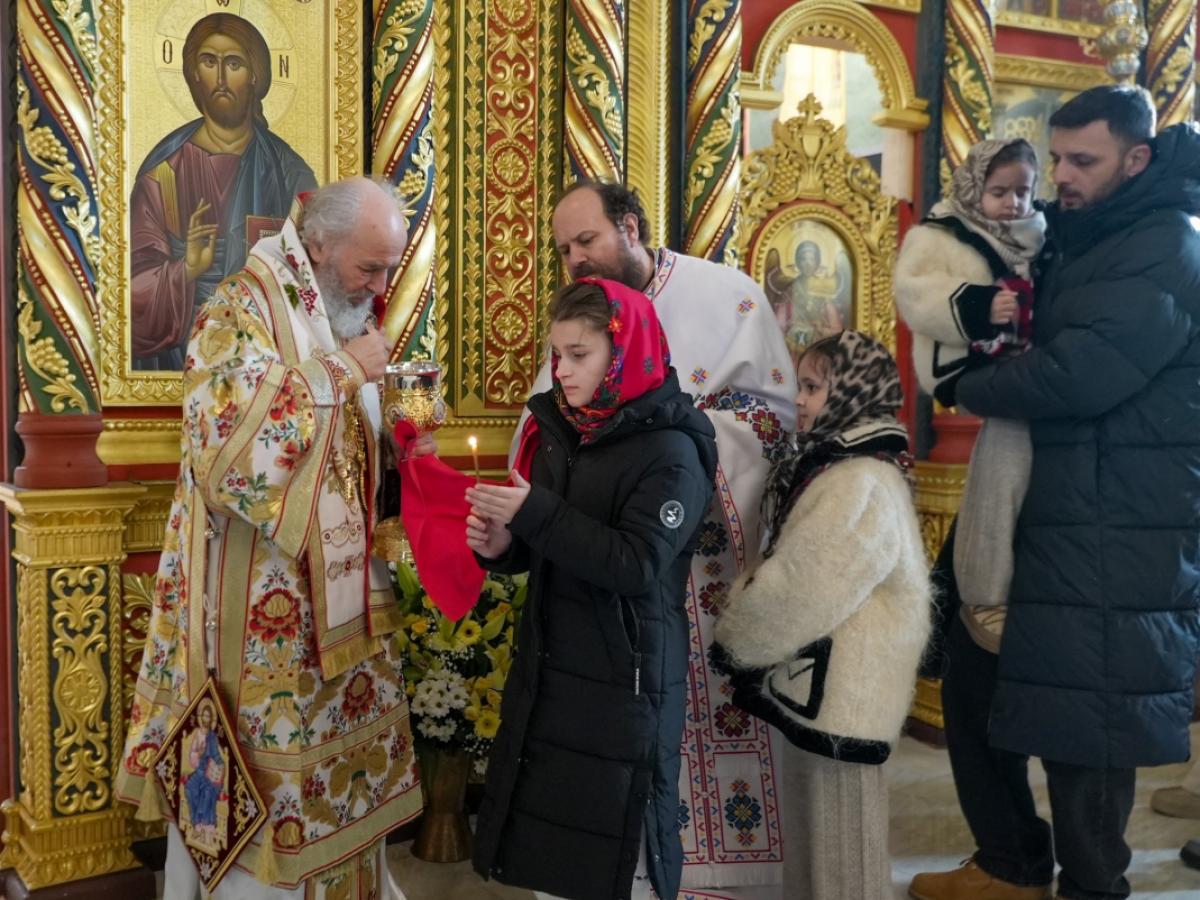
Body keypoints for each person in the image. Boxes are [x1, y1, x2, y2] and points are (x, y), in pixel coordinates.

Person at [910, 84, 1200, 900]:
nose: (1061, 176)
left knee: (1089, 723)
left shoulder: (1164, 244)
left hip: (1120, 517)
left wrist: (967, 385)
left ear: (1135, 159)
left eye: (1083, 160)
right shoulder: (1085, 231)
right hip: (1049, 499)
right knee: (971, 681)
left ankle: (1093, 886)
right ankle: (1009, 863)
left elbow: (1080, 374)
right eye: (1059, 158)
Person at [117, 177, 426, 899]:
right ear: (317, 244)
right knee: (267, 788)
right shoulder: (238, 310)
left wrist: (398, 439)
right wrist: (345, 372)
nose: (381, 287)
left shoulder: (336, 311)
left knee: (340, 788)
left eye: (390, 269)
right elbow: (229, 452)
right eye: (370, 267)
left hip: (343, 607)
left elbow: (346, 445)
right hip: (260, 606)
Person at [537, 181, 796, 893]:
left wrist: (672, 449)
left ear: (629, 226)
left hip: (712, 567)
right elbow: (549, 424)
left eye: (586, 239)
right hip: (620, 570)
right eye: (563, 249)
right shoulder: (581, 317)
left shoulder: (728, 297)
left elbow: (775, 419)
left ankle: (726, 874)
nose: (575, 258)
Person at [467, 278, 718, 900]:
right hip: (553, 670)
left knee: (614, 863)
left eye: (579, 355)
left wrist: (534, 514)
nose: (562, 370)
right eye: (557, 355)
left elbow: (635, 564)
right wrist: (505, 548)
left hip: (624, 685)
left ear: (624, 352)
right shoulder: (567, 430)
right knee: (551, 858)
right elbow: (557, 543)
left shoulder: (672, 450)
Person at [711, 331, 931, 900]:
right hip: (826, 687)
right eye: (799, 385)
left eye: (812, 387)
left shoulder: (859, 480)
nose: (800, 400)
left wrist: (735, 638)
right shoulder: (840, 467)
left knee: (843, 858)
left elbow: (803, 587)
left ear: (853, 393)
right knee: (816, 844)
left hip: (846, 696)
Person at [893, 138, 1045, 659]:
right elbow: (914, 290)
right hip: (965, 365)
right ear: (973, 186)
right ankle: (985, 593)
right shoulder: (941, 232)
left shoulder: (1039, 234)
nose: (1013, 203)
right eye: (999, 192)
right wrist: (980, 305)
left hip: (1025, 366)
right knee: (1005, 456)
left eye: (1023, 191)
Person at [131, 12, 317, 370]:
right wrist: (186, 269)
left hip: (268, 353)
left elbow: (316, 273)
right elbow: (131, 288)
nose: (220, 78)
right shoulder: (163, 173)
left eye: (233, 64)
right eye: (208, 62)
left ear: (255, 75)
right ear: (193, 74)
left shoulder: (288, 173)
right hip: (182, 356)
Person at [184, 701, 224, 848]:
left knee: (207, 792)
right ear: (201, 718)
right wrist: (198, 754)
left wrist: (220, 765)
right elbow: (192, 756)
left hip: (209, 772)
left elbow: (216, 755)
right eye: (204, 716)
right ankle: (196, 824)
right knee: (190, 788)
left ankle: (203, 826)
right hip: (199, 771)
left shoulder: (212, 737)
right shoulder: (198, 734)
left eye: (209, 717)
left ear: (211, 719)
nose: (206, 719)